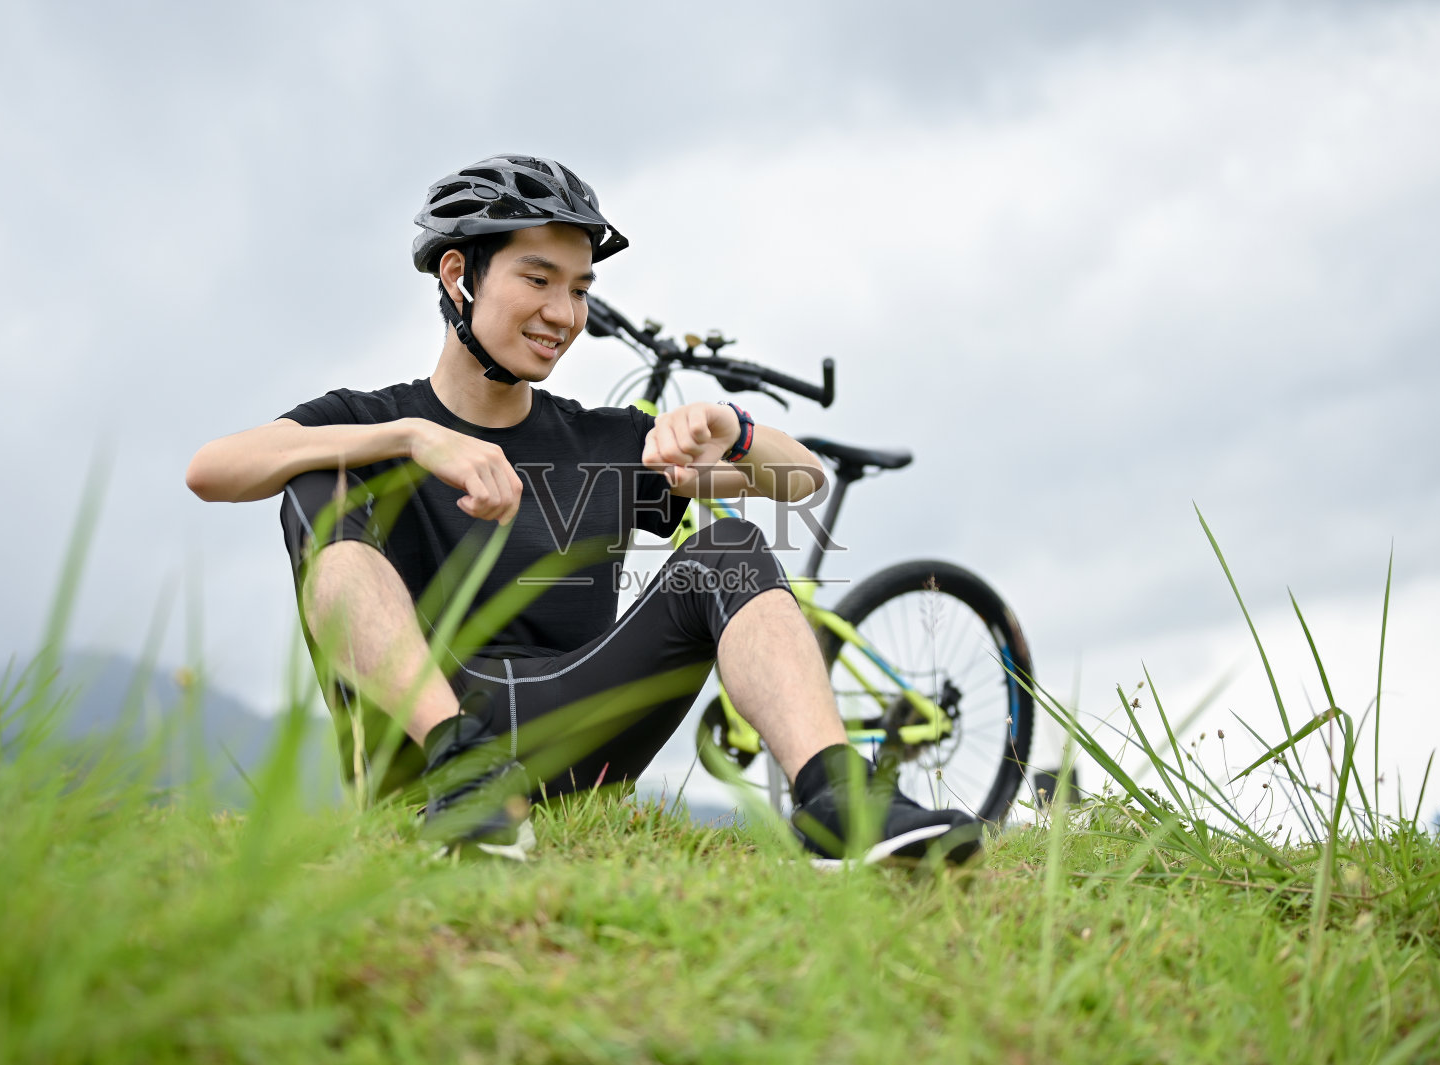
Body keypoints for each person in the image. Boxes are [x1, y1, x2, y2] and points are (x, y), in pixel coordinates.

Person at [185, 154, 980, 865]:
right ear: (460, 275)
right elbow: (211, 469)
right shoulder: (376, 417)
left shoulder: (599, 441)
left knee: (731, 548)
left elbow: (800, 478)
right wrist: (412, 438)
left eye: (579, 290)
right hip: (418, 749)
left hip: (573, 725)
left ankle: (837, 799)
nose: (564, 314)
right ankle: (463, 767)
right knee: (319, 474)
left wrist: (729, 429)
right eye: (538, 280)